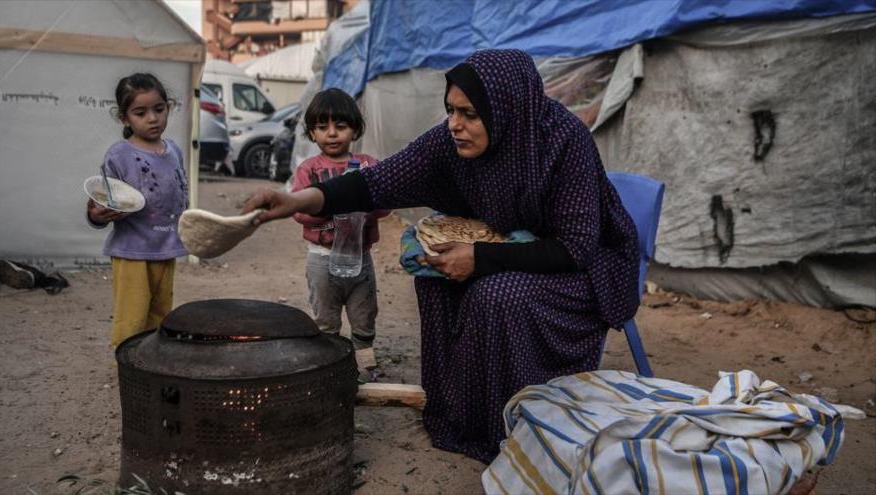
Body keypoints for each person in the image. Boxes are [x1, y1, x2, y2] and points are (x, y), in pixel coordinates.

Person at [243, 49, 640, 463]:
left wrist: (480, 259)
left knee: (496, 295)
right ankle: (461, 416)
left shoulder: (562, 142)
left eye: (469, 113)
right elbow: (377, 181)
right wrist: (296, 200)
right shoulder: (448, 145)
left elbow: (576, 246)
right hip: (510, 249)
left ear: (504, 109)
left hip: (584, 268)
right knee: (435, 279)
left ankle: (515, 425)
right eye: (450, 110)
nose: (455, 125)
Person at [290, 88, 388, 375]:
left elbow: (387, 201)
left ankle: (364, 368)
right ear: (312, 133)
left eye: (340, 126)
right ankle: (330, 371)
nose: (332, 134)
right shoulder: (309, 170)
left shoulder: (368, 167)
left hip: (360, 258)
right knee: (326, 320)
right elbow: (297, 211)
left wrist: (364, 209)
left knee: (364, 316)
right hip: (322, 259)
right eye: (322, 127)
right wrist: (330, 206)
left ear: (355, 130)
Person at [86, 73, 189, 347]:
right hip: (132, 250)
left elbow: (181, 192)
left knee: (160, 312)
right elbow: (102, 201)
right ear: (124, 118)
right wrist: (96, 216)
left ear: (169, 107)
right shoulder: (119, 155)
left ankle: (150, 362)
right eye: (140, 112)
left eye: (159, 109)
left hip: (166, 246)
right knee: (131, 316)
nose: (152, 118)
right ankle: (127, 363)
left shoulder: (174, 151)